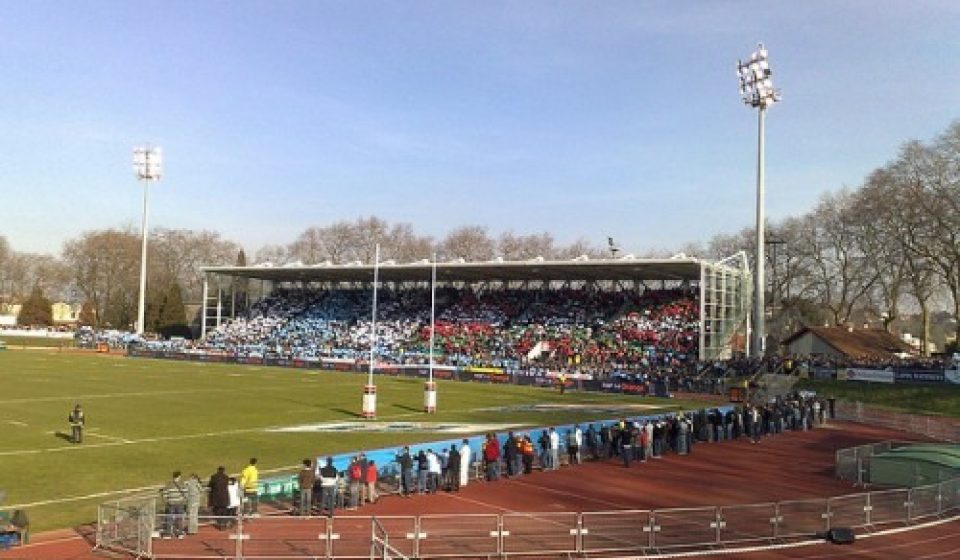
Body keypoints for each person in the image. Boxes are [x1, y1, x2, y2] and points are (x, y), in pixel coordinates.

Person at [160, 471, 188, 539]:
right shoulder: (182, 484)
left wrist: (167, 500)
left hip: (170, 503)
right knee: (179, 518)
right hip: (180, 503)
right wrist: (183, 500)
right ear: (179, 476)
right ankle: (180, 533)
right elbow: (186, 494)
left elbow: (164, 494)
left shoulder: (168, 484)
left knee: (169, 518)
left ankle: (168, 533)